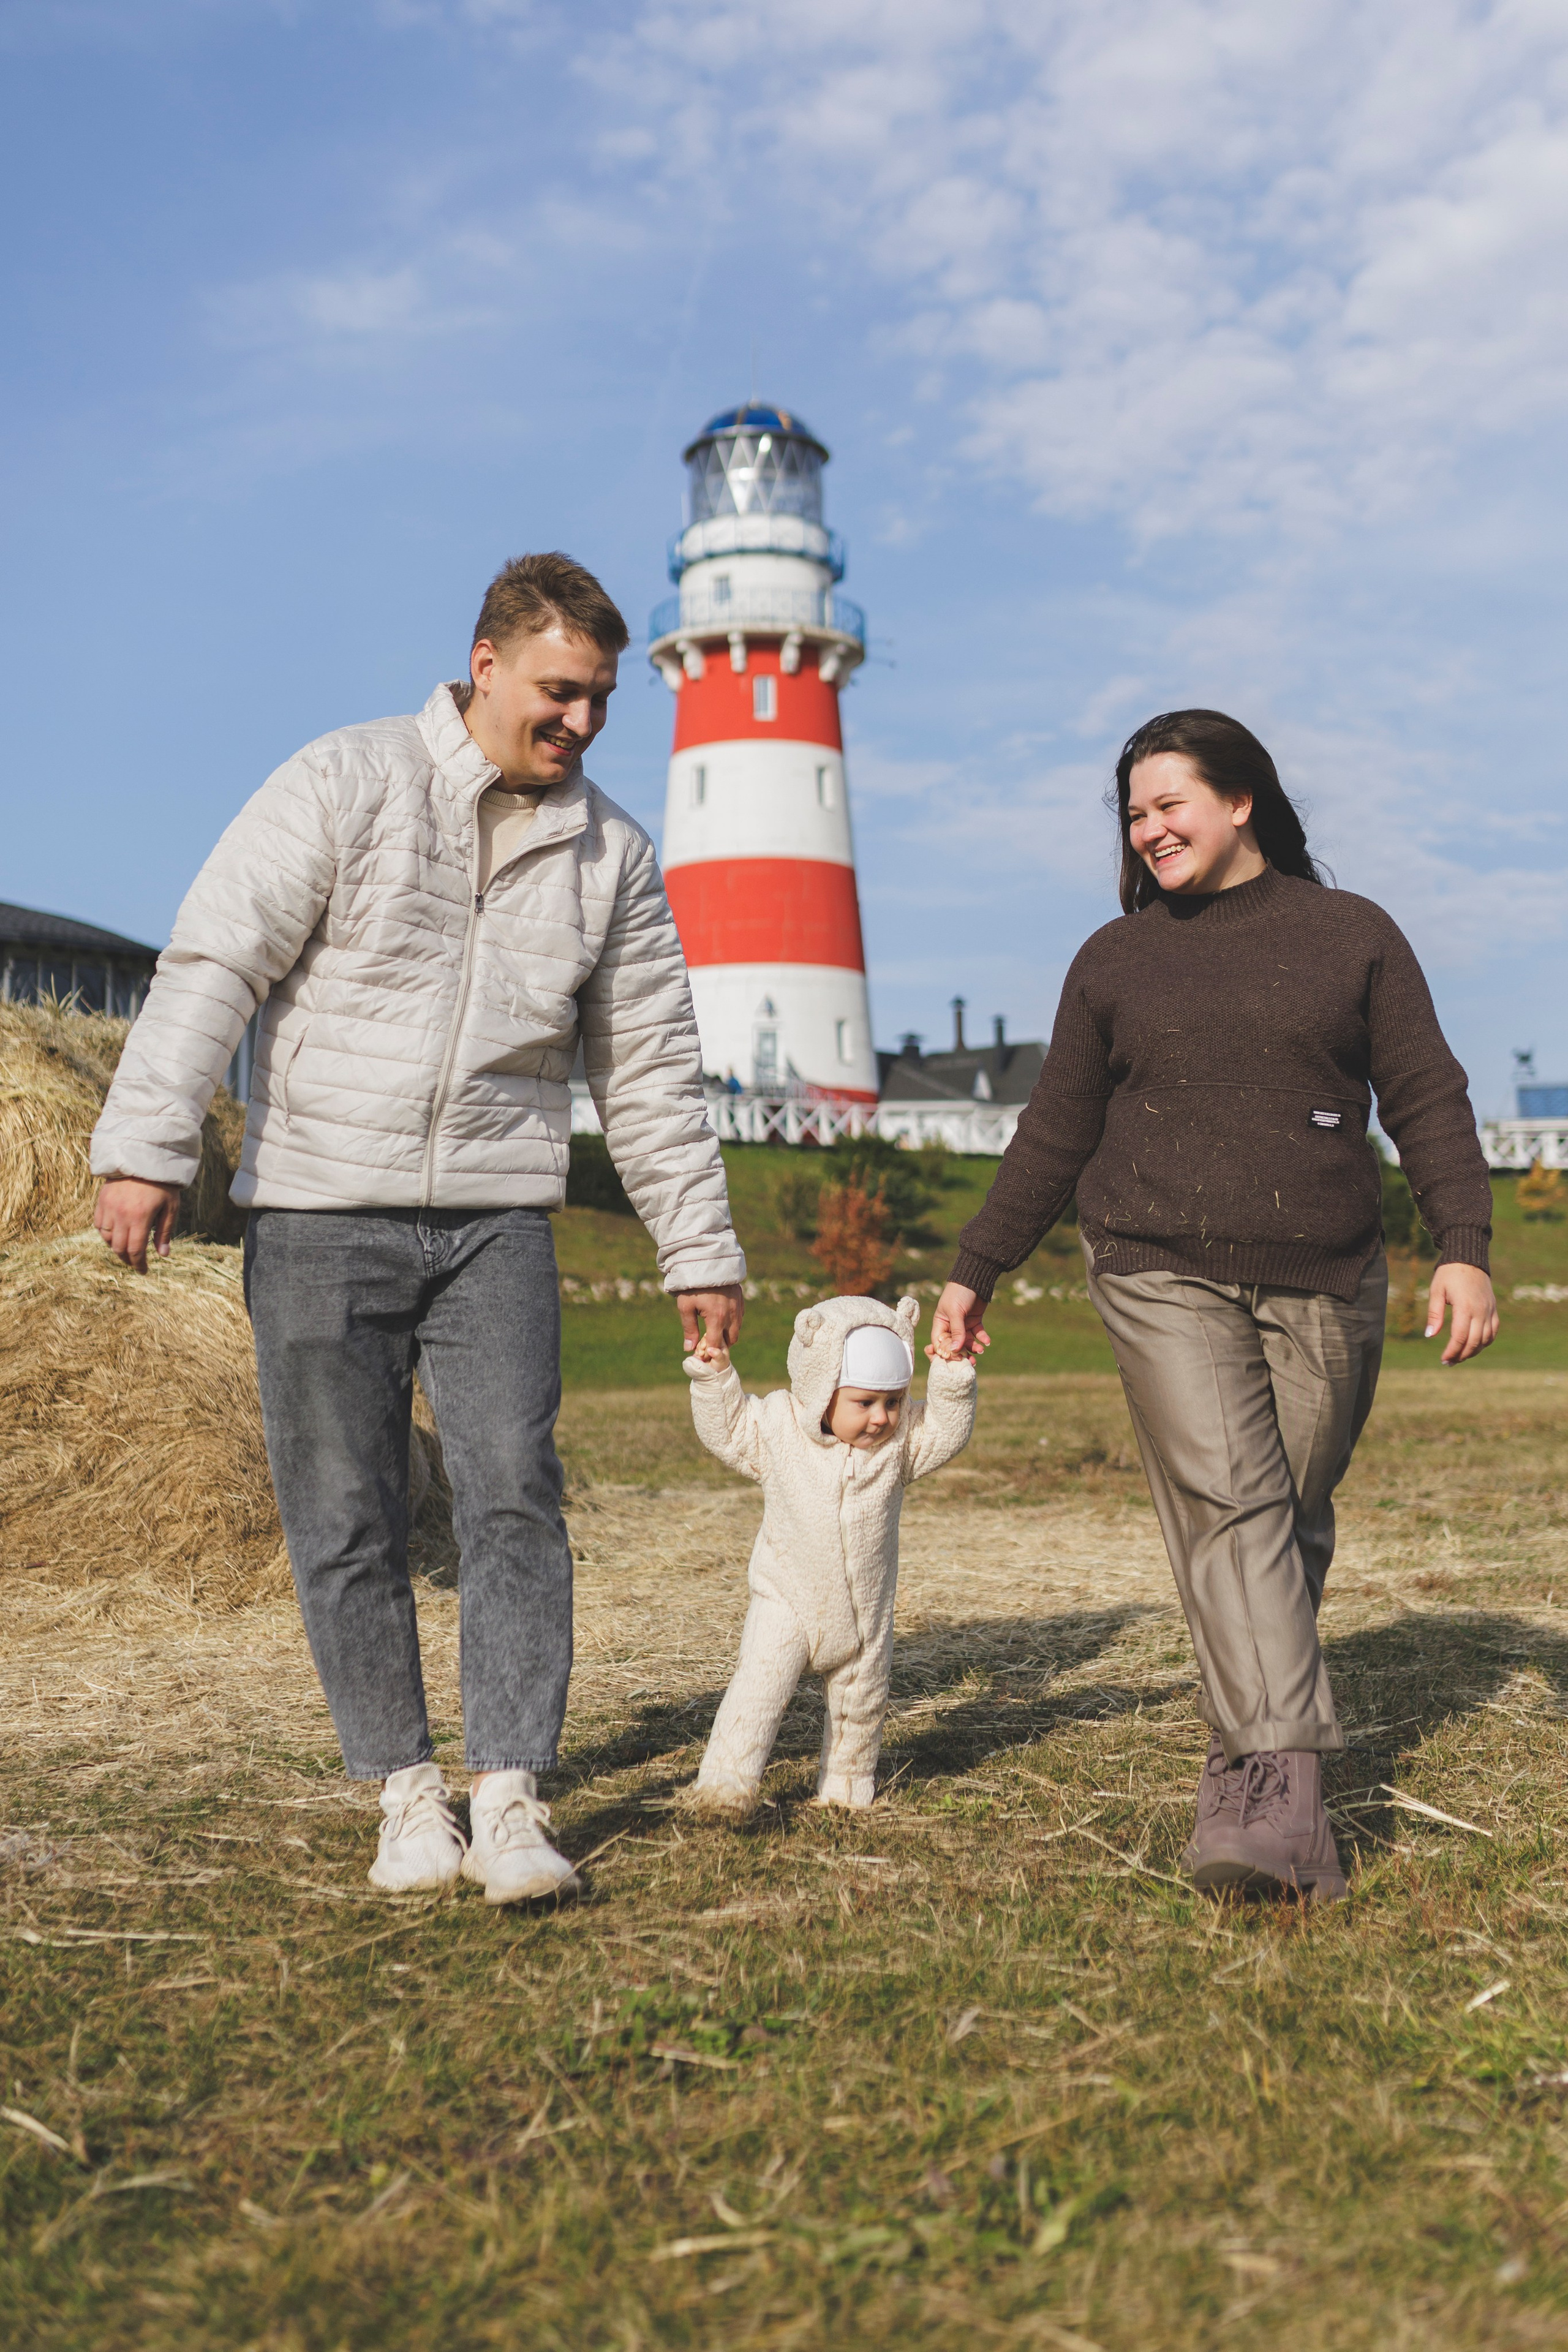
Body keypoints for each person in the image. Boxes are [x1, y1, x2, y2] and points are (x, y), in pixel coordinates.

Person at [91, 552, 746, 1906]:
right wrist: (148, 1147)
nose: (580, 722)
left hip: (498, 1222)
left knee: (515, 1495)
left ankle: (508, 1793)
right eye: (559, 692)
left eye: (602, 701)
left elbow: (648, 1070)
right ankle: (403, 1794)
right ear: (485, 662)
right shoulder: (346, 780)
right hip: (320, 1212)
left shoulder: (612, 852)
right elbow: (215, 961)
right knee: (346, 1512)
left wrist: (696, 1248)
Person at [933, 709, 1498, 1902]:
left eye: (1166, 804)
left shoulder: (1351, 936)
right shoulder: (1114, 959)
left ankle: (1238, 1759)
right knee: (1232, 1504)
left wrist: (1461, 1245)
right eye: (1131, 815)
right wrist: (975, 1265)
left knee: (1280, 1517)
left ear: (1241, 800)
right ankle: (1279, 1812)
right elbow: (1054, 1130)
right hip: (1153, 1261)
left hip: (1328, 1272)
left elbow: (1427, 1095)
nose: (1146, 831)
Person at [682, 1294, 976, 1816]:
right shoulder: (778, 1431)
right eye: (865, 1403)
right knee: (758, 1689)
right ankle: (726, 1784)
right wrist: (715, 1379)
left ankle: (846, 1789)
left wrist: (952, 1377)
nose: (883, 1418)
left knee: (860, 1705)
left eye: (893, 1400)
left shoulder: (899, 1445)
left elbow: (947, 1433)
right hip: (787, 1603)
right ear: (822, 1391)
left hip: (865, 1616)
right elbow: (728, 1430)